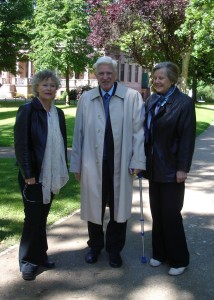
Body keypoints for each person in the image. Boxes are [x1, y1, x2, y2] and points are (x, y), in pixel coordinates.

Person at [70, 56, 146, 268]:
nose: (105, 77)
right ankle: (94, 246)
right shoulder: (86, 98)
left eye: (109, 73)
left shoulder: (131, 97)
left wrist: (138, 160)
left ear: (116, 75)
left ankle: (114, 250)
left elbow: (139, 133)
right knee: (93, 207)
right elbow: (79, 134)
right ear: (96, 74)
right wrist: (76, 164)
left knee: (118, 208)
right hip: (92, 163)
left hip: (120, 163)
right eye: (101, 73)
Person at [14, 70, 69, 281]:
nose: (49, 88)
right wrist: (28, 173)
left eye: (52, 85)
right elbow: (22, 145)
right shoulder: (28, 110)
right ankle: (27, 261)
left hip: (51, 172)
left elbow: (61, 143)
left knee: (42, 217)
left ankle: (40, 255)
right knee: (32, 218)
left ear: (57, 89)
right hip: (34, 175)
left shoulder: (59, 113)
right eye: (45, 85)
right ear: (37, 87)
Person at [143, 61, 196, 276]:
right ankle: (160, 253)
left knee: (171, 214)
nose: (156, 81)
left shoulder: (183, 103)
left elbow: (187, 139)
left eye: (161, 78)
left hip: (173, 169)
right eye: (154, 77)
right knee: (156, 212)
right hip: (154, 168)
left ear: (172, 79)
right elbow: (145, 134)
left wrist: (183, 168)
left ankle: (179, 258)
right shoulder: (152, 100)